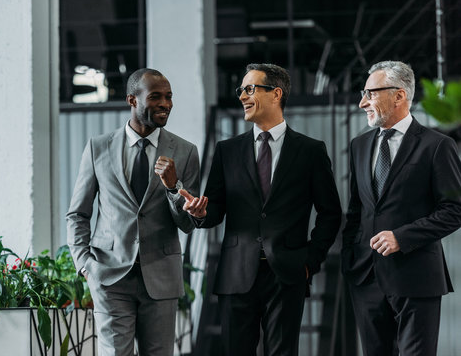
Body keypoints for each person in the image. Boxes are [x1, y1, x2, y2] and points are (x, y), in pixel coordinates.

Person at [181, 63, 342, 356]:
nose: (242, 95)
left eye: (250, 89)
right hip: (236, 273)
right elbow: (215, 208)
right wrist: (201, 213)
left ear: (276, 93)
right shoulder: (227, 151)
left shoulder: (310, 151)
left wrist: (310, 261)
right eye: (241, 90)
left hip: (288, 273)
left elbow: (330, 213)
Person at [66, 68, 200, 356]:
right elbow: (77, 214)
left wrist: (174, 187)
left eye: (169, 97)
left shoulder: (186, 152)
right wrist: (86, 266)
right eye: (156, 97)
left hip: (161, 278)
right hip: (109, 275)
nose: (166, 104)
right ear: (132, 100)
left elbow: (187, 224)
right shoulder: (97, 148)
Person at [341, 60, 461, 356]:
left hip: (416, 276)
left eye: (370, 93)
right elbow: (356, 210)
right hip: (366, 277)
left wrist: (401, 237)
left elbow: (455, 209)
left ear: (399, 95)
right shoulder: (358, 146)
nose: (361, 103)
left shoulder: (437, 145)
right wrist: (349, 257)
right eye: (363, 93)